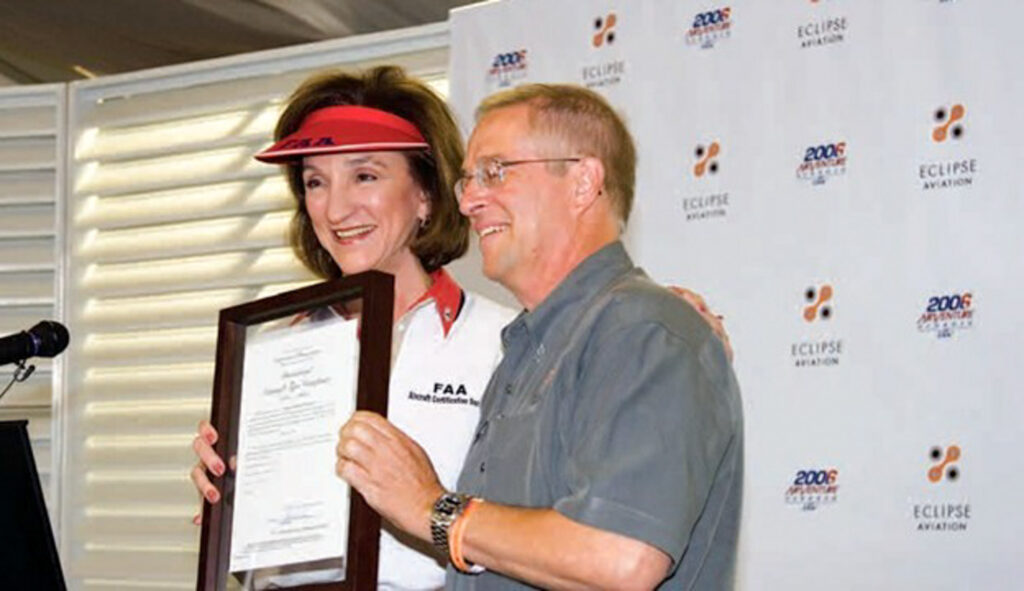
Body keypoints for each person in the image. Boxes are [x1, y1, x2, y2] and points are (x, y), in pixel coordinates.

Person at [189, 68, 732, 588]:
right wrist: (236, 501)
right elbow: (261, 563)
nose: (336, 208)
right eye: (314, 182)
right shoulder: (274, 352)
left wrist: (660, 323)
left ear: (426, 196)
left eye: (365, 175)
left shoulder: (513, 342)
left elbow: (608, 546)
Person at [334, 84, 743, 590]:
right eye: (467, 181)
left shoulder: (647, 332)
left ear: (582, 182)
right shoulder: (525, 349)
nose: (469, 202)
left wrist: (432, 508)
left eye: (495, 172)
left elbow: (620, 559)